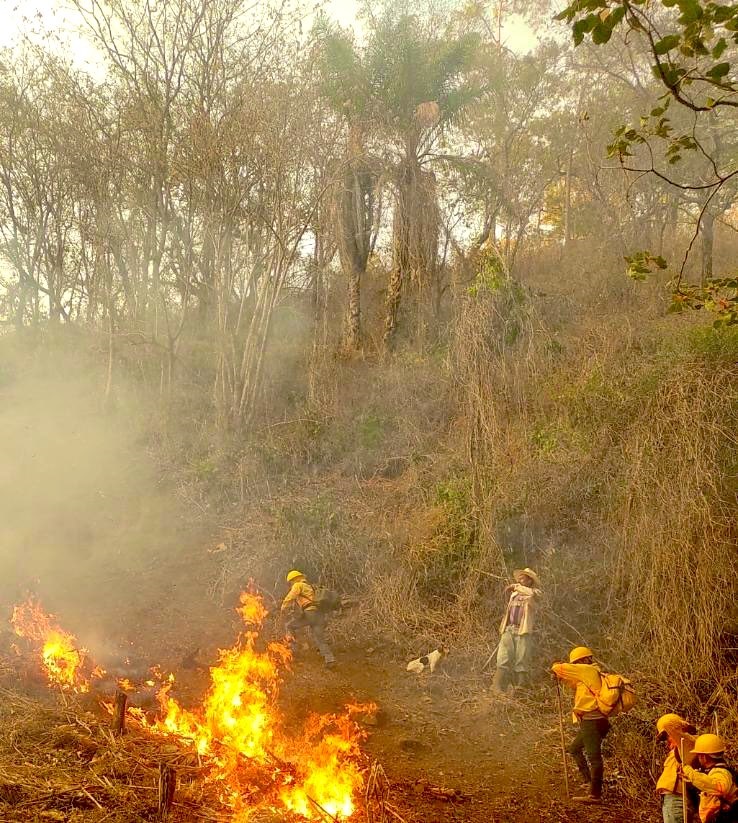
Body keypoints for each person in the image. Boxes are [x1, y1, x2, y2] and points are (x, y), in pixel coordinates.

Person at [551, 646, 609, 804]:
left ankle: (595, 795)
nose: (575, 666)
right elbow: (574, 683)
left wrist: (557, 669)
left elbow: (558, 667)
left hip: (592, 721)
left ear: (584, 660)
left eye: (576, 663)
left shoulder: (586, 670)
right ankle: (589, 782)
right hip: (595, 720)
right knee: (575, 749)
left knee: (594, 758)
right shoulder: (590, 673)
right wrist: (561, 678)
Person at [493, 567, 541, 692]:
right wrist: (513, 589)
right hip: (509, 629)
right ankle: (496, 685)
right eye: (519, 577)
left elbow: (531, 594)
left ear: (530, 581)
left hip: (523, 631)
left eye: (523, 577)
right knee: (503, 657)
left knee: (522, 658)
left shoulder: (535, 592)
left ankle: (520, 687)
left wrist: (514, 586)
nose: (520, 579)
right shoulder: (514, 594)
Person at [280, 570, 335, 667]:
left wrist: (283, 607)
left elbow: (290, 597)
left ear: (294, 579)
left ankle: (294, 650)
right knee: (319, 638)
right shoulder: (310, 587)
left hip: (310, 614)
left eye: (291, 582)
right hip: (319, 615)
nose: (290, 584)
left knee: (289, 626)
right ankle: (329, 659)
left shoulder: (298, 585)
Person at [681, 733, 738, 823]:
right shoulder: (714, 772)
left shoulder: (721, 772)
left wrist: (689, 772)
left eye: (699, 755)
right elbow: (706, 782)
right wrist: (690, 778)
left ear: (703, 757)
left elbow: (718, 787)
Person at [656, 713, 697, 823]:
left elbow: (667, 723)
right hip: (674, 799)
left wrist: (679, 724)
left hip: (676, 799)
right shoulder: (679, 750)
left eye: (667, 735)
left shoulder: (689, 744)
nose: (667, 740)